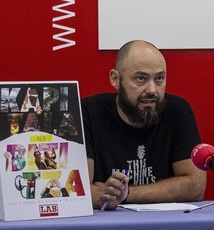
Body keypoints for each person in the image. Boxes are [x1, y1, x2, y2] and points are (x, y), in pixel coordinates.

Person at [81, 40, 206, 210]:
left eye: (159, 78)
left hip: (164, 223)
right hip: (105, 224)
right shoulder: (87, 112)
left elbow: (195, 186)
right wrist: (97, 195)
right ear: (115, 79)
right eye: (141, 79)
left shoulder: (177, 111)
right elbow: (79, 190)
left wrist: (125, 194)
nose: (152, 90)